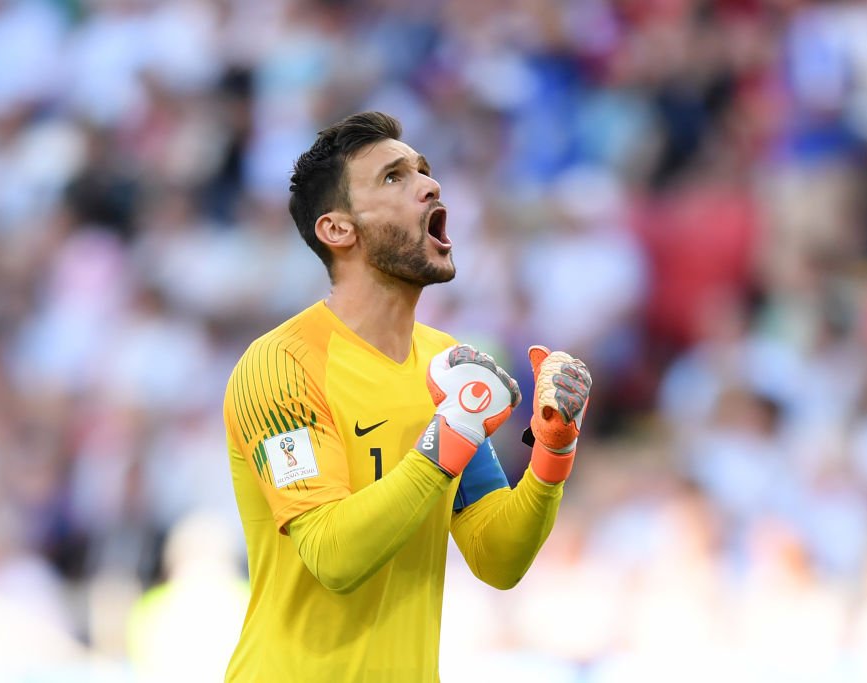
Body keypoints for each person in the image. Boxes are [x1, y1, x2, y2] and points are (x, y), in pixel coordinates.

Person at [222, 111, 592, 681]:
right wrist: (453, 433)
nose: (429, 183)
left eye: (423, 169)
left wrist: (552, 448)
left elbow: (498, 557)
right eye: (394, 177)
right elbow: (331, 555)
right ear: (338, 230)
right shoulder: (280, 366)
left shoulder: (444, 365)